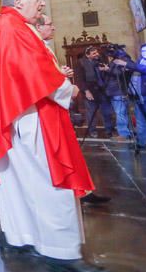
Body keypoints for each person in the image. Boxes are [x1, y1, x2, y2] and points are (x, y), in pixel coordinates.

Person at [0, 0, 110, 272]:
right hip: (32, 116)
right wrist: (67, 88)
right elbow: (33, 71)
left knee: (17, 183)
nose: (43, 4)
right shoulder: (13, 27)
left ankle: (18, 238)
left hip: (16, 117)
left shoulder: (3, 26)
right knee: (51, 181)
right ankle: (62, 251)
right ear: (19, 2)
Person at [36, 15, 111, 205]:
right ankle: (74, 190)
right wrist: (69, 87)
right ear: (39, 27)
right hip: (47, 107)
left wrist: (61, 74)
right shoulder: (35, 46)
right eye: (49, 25)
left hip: (56, 105)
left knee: (70, 150)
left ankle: (81, 188)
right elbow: (38, 78)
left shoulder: (44, 46)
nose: (53, 28)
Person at [76, 46, 115, 137]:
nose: (97, 54)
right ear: (87, 55)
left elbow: (107, 75)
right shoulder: (81, 63)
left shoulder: (101, 60)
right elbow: (79, 79)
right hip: (90, 91)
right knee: (91, 112)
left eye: (97, 52)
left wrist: (106, 70)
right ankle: (92, 130)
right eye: (94, 53)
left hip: (102, 90)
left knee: (107, 111)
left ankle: (109, 130)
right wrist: (86, 91)